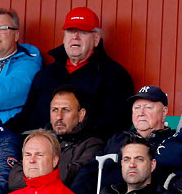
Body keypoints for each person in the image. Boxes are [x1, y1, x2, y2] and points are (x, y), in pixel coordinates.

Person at [15, 7, 134, 139]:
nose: (75, 37)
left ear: (96, 39)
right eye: (71, 31)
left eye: (83, 32)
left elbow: (115, 126)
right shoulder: (45, 76)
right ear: (64, 37)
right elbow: (25, 117)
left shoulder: (115, 76)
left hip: (85, 151)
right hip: (37, 149)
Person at [11, 88, 103, 193]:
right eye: (55, 110)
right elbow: (14, 180)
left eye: (66, 110)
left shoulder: (92, 144)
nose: (59, 116)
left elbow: (67, 178)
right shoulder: (39, 139)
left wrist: (33, 178)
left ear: (81, 115)